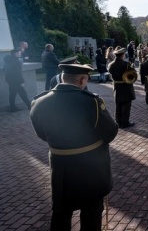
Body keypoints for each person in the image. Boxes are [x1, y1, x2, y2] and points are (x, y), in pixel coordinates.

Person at [30, 62, 119, 231]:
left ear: (62, 78)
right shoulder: (90, 102)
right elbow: (110, 133)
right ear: (82, 80)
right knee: (91, 214)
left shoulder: (39, 102)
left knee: (61, 212)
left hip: (60, 167)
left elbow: (41, 134)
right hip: (90, 168)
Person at [108, 47, 136, 128]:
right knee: (126, 105)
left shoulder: (111, 65)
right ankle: (125, 122)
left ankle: (118, 121)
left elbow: (111, 72)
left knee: (118, 104)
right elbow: (133, 75)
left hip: (117, 86)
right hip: (126, 87)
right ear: (122, 55)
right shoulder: (126, 64)